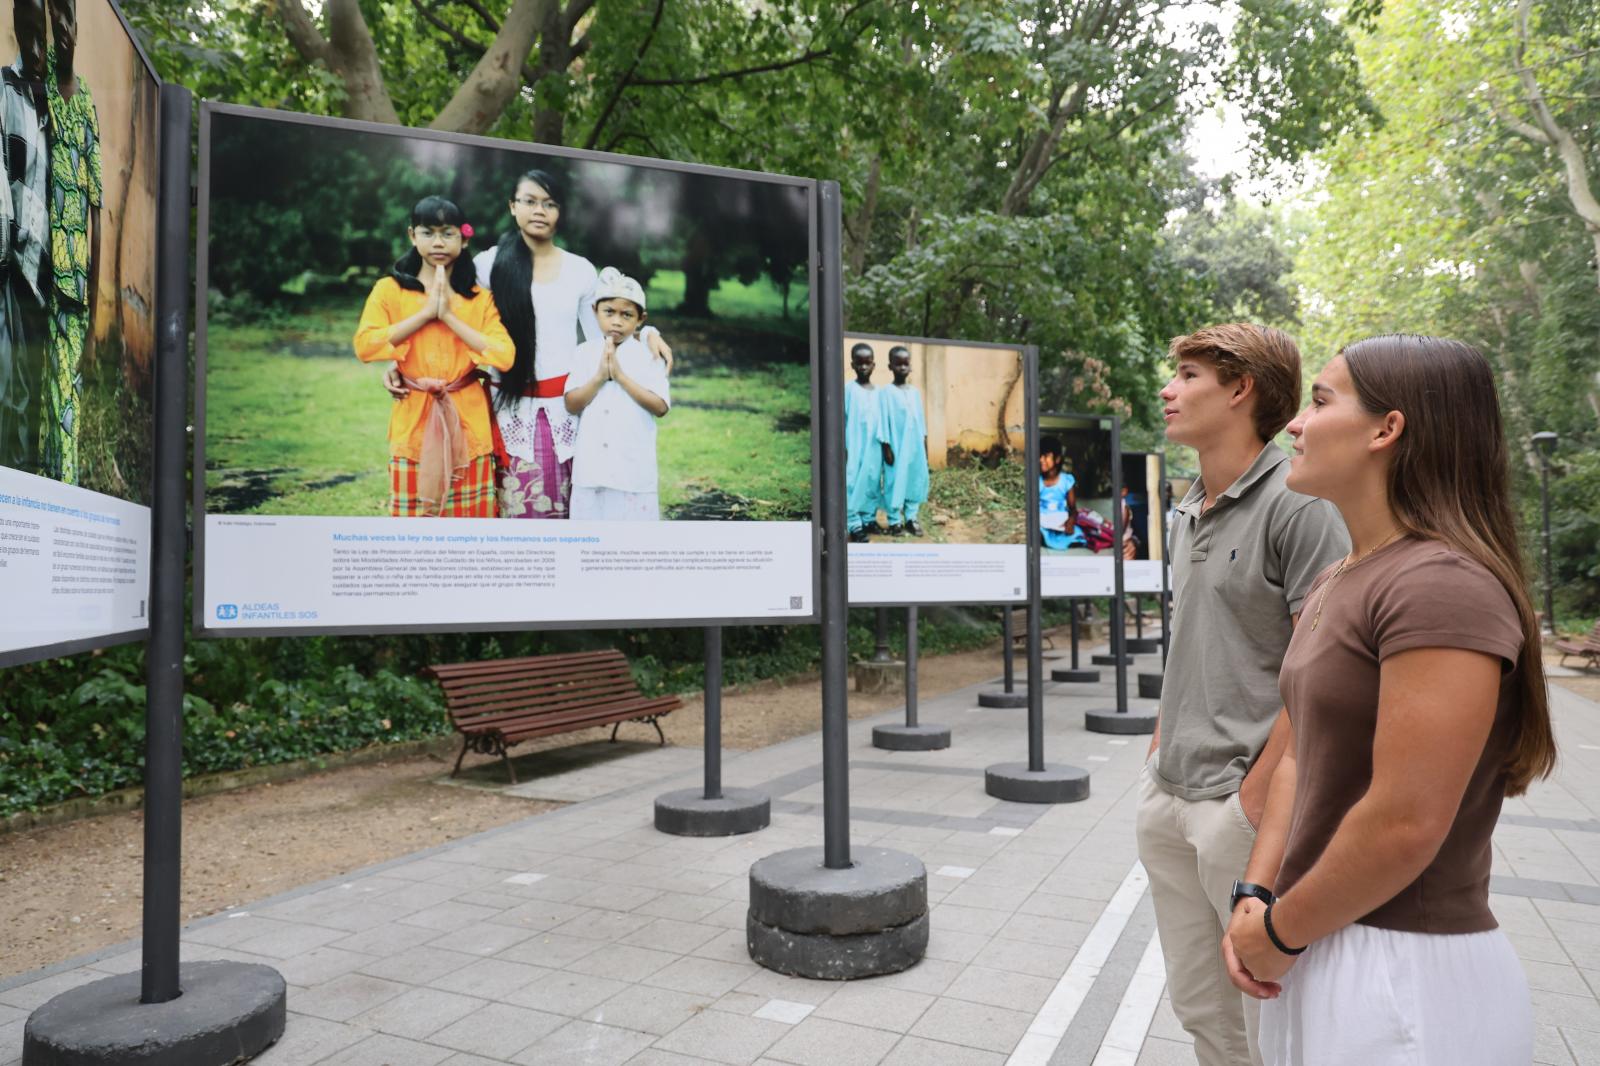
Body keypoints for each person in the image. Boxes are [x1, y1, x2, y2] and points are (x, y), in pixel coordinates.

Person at [1225, 335, 1553, 1066]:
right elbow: (1300, 758)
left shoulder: (1440, 585)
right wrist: (1258, 894)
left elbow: (1405, 822)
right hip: (1320, 939)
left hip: (1403, 974)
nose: (1294, 426)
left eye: (1319, 401)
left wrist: (1278, 933)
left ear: (1386, 429)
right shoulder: (1343, 576)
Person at [1136, 323, 1348, 1066]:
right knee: (1199, 1007)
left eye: (1187, 374)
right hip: (1169, 798)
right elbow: (1194, 639)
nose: (1169, 388)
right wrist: (1161, 744)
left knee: (1269, 1016)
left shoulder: (1300, 505)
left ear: (1240, 389)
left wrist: (1254, 799)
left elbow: (1322, 671)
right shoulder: (1190, 503)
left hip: (1240, 808)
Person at [385, 169, 672, 519]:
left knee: (570, 515)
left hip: (566, 411)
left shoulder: (580, 270)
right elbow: (447, 317)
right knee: (509, 515)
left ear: (560, 211)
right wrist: (400, 363)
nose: (539, 210)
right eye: (530, 201)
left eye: (550, 204)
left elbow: (609, 329)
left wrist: (648, 333)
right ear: (512, 206)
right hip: (504, 407)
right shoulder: (487, 265)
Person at [354, 196, 514, 517]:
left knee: (471, 534)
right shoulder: (389, 290)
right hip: (413, 423)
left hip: (469, 425)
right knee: (414, 534)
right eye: (428, 233)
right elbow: (365, 345)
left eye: (447, 233)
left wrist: (449, 316)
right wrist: (426, 314)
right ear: (412, 236)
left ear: (464, 239)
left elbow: (504, 355)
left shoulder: (479, 299)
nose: (437, 242)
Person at [39, 0, 101, 485]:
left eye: (67, 19)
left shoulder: (86, 106)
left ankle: (69, 487)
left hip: (75, 280)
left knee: (69, 391)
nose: (61, 30)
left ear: (76, 28)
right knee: (40, 389)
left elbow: (96, 209)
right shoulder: (37, 96)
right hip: (34, 268)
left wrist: (96, 305)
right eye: (54, 19)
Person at [563, 268, 669, 520]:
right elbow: (571, 403)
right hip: (591, 470)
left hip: (632, 470)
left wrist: (621, 377)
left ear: (640, 319)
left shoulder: (648, 355)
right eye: (609, 312)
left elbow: (661, 406)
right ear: (595, 312)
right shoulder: (584, 352)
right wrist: (600, 377)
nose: (617, 322)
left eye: (627, 315)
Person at [1, 0, 52, 473]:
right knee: (11, 396)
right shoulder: (2, 89)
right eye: (27, 25)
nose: (35, 38)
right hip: (12, 267)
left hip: (48, 277)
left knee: (38, 402)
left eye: (43, 27)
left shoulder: (57, 107)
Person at [878, 345, 929, 536]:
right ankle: (894, 520)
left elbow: (920, 421)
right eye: (897, 364)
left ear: (910, 367)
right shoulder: (886, 392)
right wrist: (886, 447)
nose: (902, 368)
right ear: (890, 366)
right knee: (894, 481)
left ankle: (911, 518)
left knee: (914, 480)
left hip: (915, 446)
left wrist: (924, 446)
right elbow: (883, 420)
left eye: (905, 364)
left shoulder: (914, 392)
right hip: (896, 446)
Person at [844, 342, 886, 542]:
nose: (863, 367)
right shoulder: (848, 390)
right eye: (859, 363)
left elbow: (884, 421)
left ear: (874, 365)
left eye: (867, 363)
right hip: (853, 445)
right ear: (852, 365)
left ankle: (868, 519)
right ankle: (853, 523)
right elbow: (841, 419)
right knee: (852, 482)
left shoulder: (879, 393)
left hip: (874, 446)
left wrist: (886, 446)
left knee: (872, 482)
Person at [1038, 435, 1084, 550]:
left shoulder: (1066, 481)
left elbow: (1073, 509)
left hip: (1059, 521)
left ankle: (1055, 539)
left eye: (1046, 456)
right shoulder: (1037, 480)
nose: (1041, 460)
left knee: (1078, 534)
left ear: (1057, 459)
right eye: (1039, 456)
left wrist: (1071, 521)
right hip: (1042, 520)